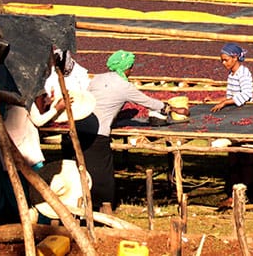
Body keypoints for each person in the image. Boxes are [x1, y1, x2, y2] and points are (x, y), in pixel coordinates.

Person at [65, 49, 185, 211]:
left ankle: (76, 203)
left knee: (78, 168)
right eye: (130, 67)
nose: (131, 70)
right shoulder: (124, 86)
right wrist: (172, 109)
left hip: (76, 128)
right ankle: (101, 207)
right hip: (96, 134)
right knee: (101, 174)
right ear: (125, 68)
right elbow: (147, 102)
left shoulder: (98, 78)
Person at [210, 43, 253, 209]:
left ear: (235, 58)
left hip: (245, 117)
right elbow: (232, 94)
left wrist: (226, 101)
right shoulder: (232, 74)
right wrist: (218, 100)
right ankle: (237, 191)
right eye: (222, 61)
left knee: (247, 155)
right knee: (235, 155)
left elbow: (247, 94)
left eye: (226, 60)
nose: (223, 63)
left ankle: (250, 192)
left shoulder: (243, 73)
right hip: (235, 117)